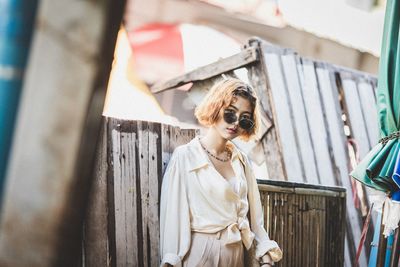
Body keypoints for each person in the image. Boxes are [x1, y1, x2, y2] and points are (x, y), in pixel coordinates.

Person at [160, 78, 282, 267]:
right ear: (216, 108)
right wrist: (170, 260)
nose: (235, 123)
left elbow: (255, 220)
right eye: (230, 113)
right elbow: (173, 220)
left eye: (244, 118)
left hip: (236, 255)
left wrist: (265, 257)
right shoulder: (185, 156)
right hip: (200, 253)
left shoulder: (241, 161)